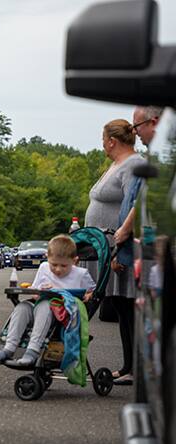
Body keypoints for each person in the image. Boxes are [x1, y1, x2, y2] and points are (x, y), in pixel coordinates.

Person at [85, 119, 147, 385]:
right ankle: (128, 367)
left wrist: (119, 246)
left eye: (103, 138)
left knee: (128, 307)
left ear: (112, 140)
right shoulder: (116, 164)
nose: (101, 143)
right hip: (105, 246)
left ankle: (136, 368)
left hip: (118, 248)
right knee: (121, 307)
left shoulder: (133, 165)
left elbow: (134, 205)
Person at [0, 235, 96, 367]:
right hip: (39, 309)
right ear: (47, 258)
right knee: (22, 307)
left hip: (61, 317)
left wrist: (89, 295)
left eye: (63, 266)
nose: (58, 269)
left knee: (45, 305)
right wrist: (38, 292)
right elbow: (35, 290)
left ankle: (33, 350)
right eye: (54, 264)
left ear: (75, 261)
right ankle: (9, 348)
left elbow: (93, 291)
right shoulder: (44, 268)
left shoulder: (81, 274)